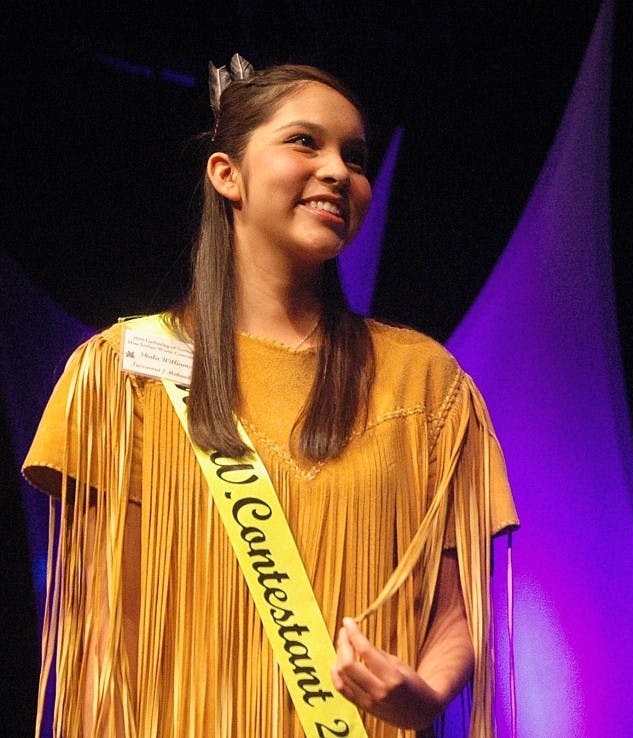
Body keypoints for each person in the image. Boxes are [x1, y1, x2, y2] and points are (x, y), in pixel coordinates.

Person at [22, 57, 518, 738]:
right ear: (227, 174)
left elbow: (456, 611)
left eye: (356, 156)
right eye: (304, 141)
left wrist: (423, 692)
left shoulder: (427, 382)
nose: (339, 171)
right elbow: (102, 626)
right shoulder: (119, 373)